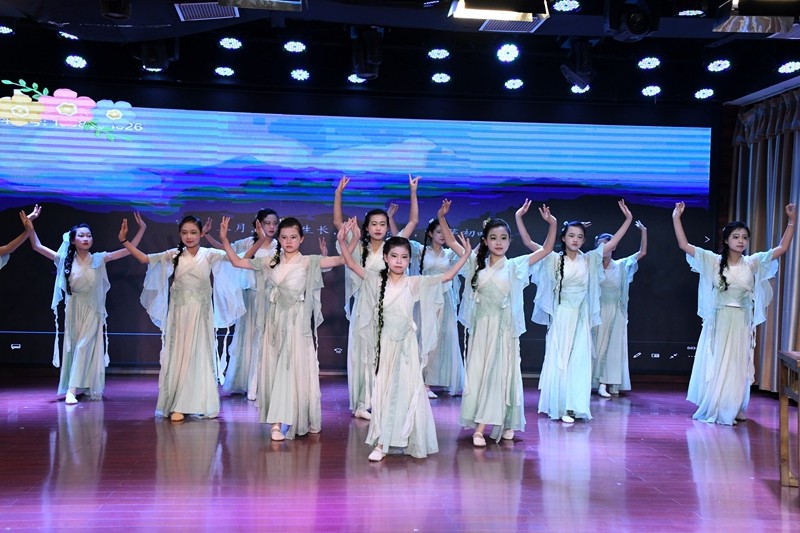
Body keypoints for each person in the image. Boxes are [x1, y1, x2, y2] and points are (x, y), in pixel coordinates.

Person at [335, 218, 472, 460]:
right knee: (384, 392)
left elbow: (446, 277)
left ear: (410, 260)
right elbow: (352, 264)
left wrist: (465, 256)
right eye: (394, 256)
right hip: (385, 345)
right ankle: (382, 443)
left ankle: (411, 440)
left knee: (408, 391)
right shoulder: (375, 279)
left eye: (404, 257)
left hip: (407, 346)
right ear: (386, 258)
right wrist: (342, 242)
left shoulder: (413, 283)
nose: (399, 261)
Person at [219, 215, 357, 441]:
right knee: (275, 369)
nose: (288, 241)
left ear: (301, 238)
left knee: (294, 369)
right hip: (274, 324)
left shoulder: (308, 261)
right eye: (284, 237)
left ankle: (297, 416)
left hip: (297, 324)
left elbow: (343, 260)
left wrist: (346, 240)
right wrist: (225, 240)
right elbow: (238, 263)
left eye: (293, 237)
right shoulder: (270, 261)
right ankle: (276, 421)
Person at [441, 200, 558, 446]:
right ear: (485, 240)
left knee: (501, 374)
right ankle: (486, 421)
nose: (498, 242)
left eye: (503, 238)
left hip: (504, 331)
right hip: (482, 329)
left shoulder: (515, 266)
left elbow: (547, 249)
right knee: (481, 374)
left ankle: (492, 425)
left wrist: (553, 223)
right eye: (493, 238)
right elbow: (451, 242)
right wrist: (442, 217)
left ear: (509, 241)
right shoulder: (475, 264)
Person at [673, 201, 796, 425]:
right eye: (736, 237)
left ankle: (735, 405)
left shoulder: (752, 262)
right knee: (720, 362)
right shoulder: (713, 261)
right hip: (721, 319)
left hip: (741, 321)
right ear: (727, 239)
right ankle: (719, 405)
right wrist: (676, 218)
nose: (741, 241)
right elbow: (684, 245)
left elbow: (781, 249)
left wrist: (792, 221)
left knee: (738, 364)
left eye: (744, 237)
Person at [120, 215, 245, 421]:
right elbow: (145, 259)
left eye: (193, 232)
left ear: (201, 234)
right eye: (185, 232)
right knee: (179, 355)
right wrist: (125, 241)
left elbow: (239, 259)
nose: (189, 236)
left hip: (201, 315)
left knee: (198, 355)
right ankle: (178, 403)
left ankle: (199, 403)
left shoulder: (209, 254)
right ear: (180, 234)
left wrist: (225, 239)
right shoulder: (175, 254)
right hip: (179, 315)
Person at [27, 205, 146, 404]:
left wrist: (141, 229)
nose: (86, 238)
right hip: (74, 311)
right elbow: (37, 246)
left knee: (83, 347)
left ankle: (72, 390)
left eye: (89, 236)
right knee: (75, 348)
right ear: (73, 240)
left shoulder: (99, 259)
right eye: (81, 235)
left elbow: (129, 250)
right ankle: (79, 386)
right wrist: (29, 223)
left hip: (93, 311)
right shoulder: (64, 259)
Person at [530, 200, 633, 424]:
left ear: (584, 240)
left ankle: (575, 405)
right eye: (571, 236)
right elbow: (533, 244)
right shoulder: (555, 259)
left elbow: (612, 243)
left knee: (579, 361)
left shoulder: (589, 259)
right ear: (564, 238)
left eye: (579, 236)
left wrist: (628, 220)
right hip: (563, 315)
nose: (575, 240)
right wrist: (551, 224)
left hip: (581, 316)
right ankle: (561, 406)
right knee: (562, 359)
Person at [333, 174, 419, 420]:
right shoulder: (359, 247)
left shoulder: (393, 247)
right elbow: (338, 223)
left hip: (390, 306)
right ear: (367, 227)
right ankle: (363, 402)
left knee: (386, 352)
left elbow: (413, 221)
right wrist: (338, 193)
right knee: (365, 353)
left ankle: (384, 399)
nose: (379, 228)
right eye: (374, 224)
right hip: (365, 305)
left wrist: (413, 192)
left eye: (382, 223)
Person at [204, 209, 280, 400]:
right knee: (248, 338)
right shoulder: (248, 243)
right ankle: (247, 381)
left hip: (270, 298)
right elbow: (228, 254)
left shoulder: (280, 245)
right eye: (267, 223)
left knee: (267, 339)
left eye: (275, 223)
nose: (271, 227)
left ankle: (266, 382)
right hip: (251, 297)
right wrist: (207, 235)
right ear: (258, 224)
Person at [397, 200, 465, 398]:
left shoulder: (450, 254)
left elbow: (467, 257)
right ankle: (422, 381)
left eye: (445, 232)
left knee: (445, 337)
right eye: (439, 232)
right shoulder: (420, 250)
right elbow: (399, 240)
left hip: (445, 297)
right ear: (430, 233)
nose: (442, 235)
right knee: (424, 336)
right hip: (425, 297)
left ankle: (443, 380)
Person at [592, 220, 647, 398]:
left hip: (615, 312)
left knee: (612, 348)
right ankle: (592, 382)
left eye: (607, 244)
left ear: (613, 246)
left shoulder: (621, 265)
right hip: (596, 312)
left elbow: (642, 252)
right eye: (600, 245)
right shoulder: (591, 267)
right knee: (595, 347)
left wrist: (643, 231)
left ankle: (605, 383)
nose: (603, 248)